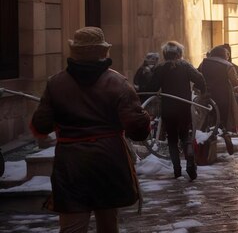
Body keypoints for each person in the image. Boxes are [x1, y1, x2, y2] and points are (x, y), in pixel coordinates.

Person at [30, 26, 150, 233]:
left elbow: (40, 125)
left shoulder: (56, 83)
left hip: (71, 162)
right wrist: (145, 118)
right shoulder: (118, 83)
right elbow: (138, 130)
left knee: (72, 226)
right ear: (103, 52)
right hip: (108, 159)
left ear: (74, 52)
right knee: (108, 224)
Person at [147, 41, 206, 180]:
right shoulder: (185, 66)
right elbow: (200, 78)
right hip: (183, 106)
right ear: (179, 53)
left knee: (172, 139)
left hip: (168, 108)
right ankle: (190, 161)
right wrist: (201, 90)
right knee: (185, 136)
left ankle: (177, 170)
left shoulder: (160, 68)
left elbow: (152, 87)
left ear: (165, 54)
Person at [197, 45, 238, 155]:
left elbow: (198, 75)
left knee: (208, 119)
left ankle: (205, 147)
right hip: (223, 96)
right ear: (223, 55)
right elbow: (235, 81)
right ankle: (225, 134)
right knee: (223, 119)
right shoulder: (227, 65)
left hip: (206, 96)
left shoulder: (204, 63)